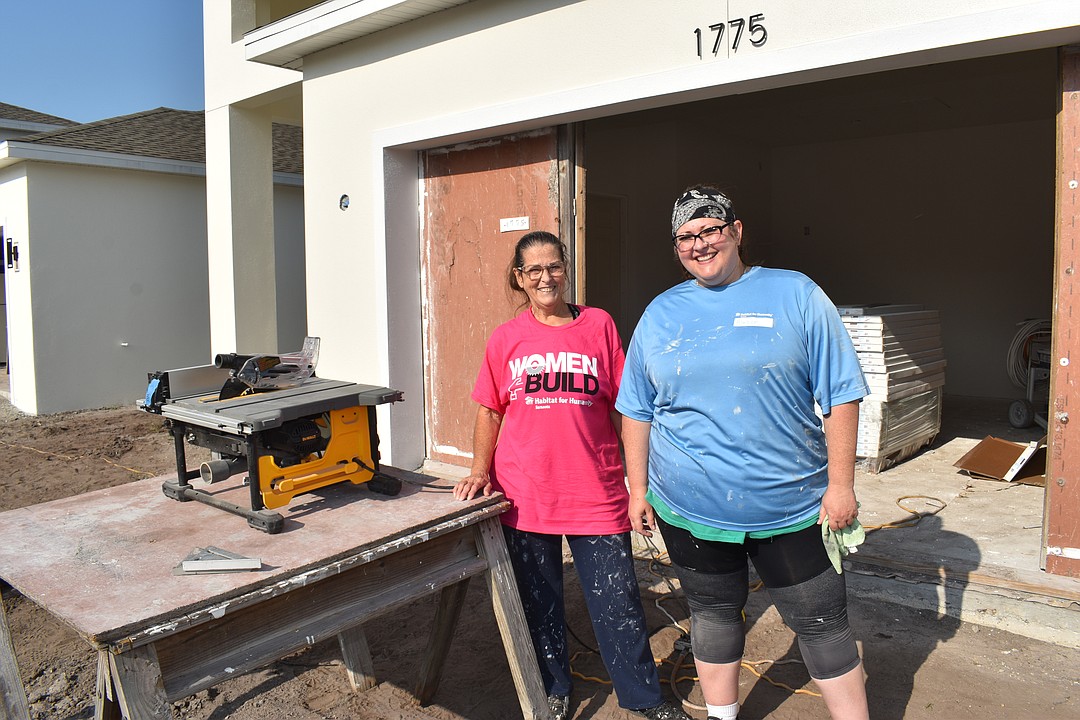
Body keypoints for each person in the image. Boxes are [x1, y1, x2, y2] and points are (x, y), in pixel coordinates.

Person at [615, 186, 871, 720]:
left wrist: (841, 484)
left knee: (822, 624)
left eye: (710, 230)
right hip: (687, 507)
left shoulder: (794, 294)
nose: (699, 244)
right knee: (712, 613)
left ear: (736, 231)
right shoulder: (662, 312)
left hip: (791, 505)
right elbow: (637, 408)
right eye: (686, 236)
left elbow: (841, 392)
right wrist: (638, 489)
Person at [453, 231, 692, 720]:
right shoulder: (506, 338)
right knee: (539, 600)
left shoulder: (599, 325)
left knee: (618, 600)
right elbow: (489, 409)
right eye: (534, 270)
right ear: (519, 278)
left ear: (566, 269)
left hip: (596, 489)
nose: (546, 278)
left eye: (554, 266)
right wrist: (480, 470)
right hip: (524, 492)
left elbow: (626, 408)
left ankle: (644, 697)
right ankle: (554, 689)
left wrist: (635, 484)